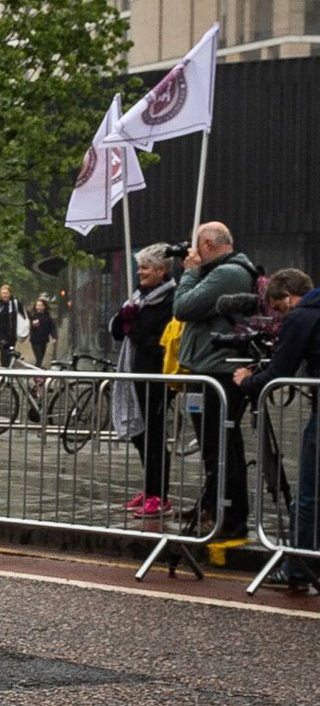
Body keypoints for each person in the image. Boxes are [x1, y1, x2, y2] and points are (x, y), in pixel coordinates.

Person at [173, 222, 260, 539]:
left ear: (208, 243)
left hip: (219, 374)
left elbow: (183, 307)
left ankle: (232, 516)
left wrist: (191, 272)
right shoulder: (222, 271)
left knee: (221, 446)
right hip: (207, 370)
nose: (193, 253)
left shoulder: (229, 273)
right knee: (213, 446)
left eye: (197, 246)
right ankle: (212, 504)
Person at [235, 269, 320, 568]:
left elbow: (279, 372)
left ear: (289, 297)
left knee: (309, 494)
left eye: (279, 307)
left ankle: (297, 569)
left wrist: (246, 380)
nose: (280, 316)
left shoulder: (302, 316)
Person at [109, 245, 178, 518]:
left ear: (161, 271)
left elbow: (160, 343)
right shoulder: (140, 297)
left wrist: (133, 328)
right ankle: (149, 489)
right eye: (139, 267)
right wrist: (123, 319)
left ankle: (159, 494)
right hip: (134, 376)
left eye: (145, 267)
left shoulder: (170, 301)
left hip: (155, 377)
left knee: (154, 436)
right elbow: (118, 332)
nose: (140, 272)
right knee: (140, 435)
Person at [28, 297, 59, 367]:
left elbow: (52, 328)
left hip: (44, 340)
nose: (39, 307)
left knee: (41, 358)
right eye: (37, 305)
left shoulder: (48, 317)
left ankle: (38, 374)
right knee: (39, 358)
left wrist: (54, 337)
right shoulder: (33, 316)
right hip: (35, 340)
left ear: (44, 307)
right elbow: (28, 327)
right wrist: (32, 325)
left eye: (41, 305)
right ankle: (36, 374)